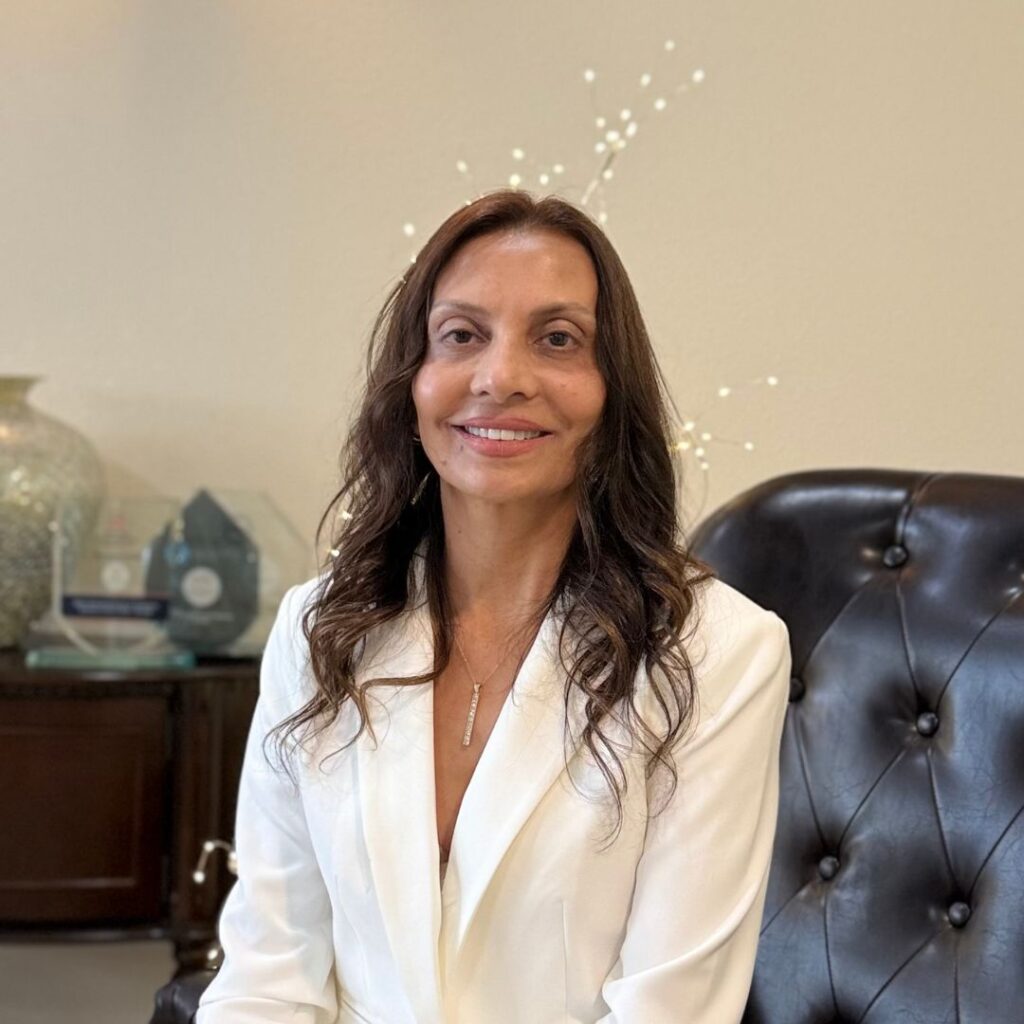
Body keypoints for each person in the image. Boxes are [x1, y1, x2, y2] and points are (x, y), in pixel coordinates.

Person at [196, 190, 791, 1024]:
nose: (502, 377)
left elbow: (670, 1011)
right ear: (414, 384)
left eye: (557, 339)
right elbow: (266, 981)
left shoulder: (722, 651)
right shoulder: (316, 628)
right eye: (462, 336)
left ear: (610, 391)